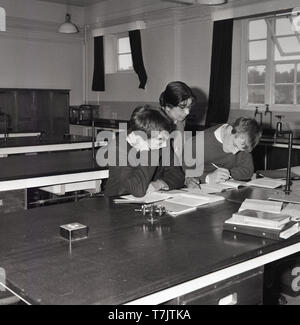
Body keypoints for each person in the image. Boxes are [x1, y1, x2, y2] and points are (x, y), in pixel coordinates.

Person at [97, 105, 185, 197]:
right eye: (160, 139)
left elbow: (178, 176)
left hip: (152, 199)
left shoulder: (160, 142)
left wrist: (159, 184)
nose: (165, 144)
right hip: (118, 203)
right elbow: (138, 190)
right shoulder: (119, 149)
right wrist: (145, 152)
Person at [185, 117, 262, 187]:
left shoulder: (242, 140)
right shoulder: (198, 143)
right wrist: (207, 178)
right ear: (229, 130)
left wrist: (228, 173)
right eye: (234, 145)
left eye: (239, 150)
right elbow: (185, 174)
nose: (234, 152)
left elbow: (248, 170)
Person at [159, 81, 195, 158]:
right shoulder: (155, 125)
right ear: (168, 107)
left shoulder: (181, 121)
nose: (187, 112)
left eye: (189, 107)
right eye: (182, 107)